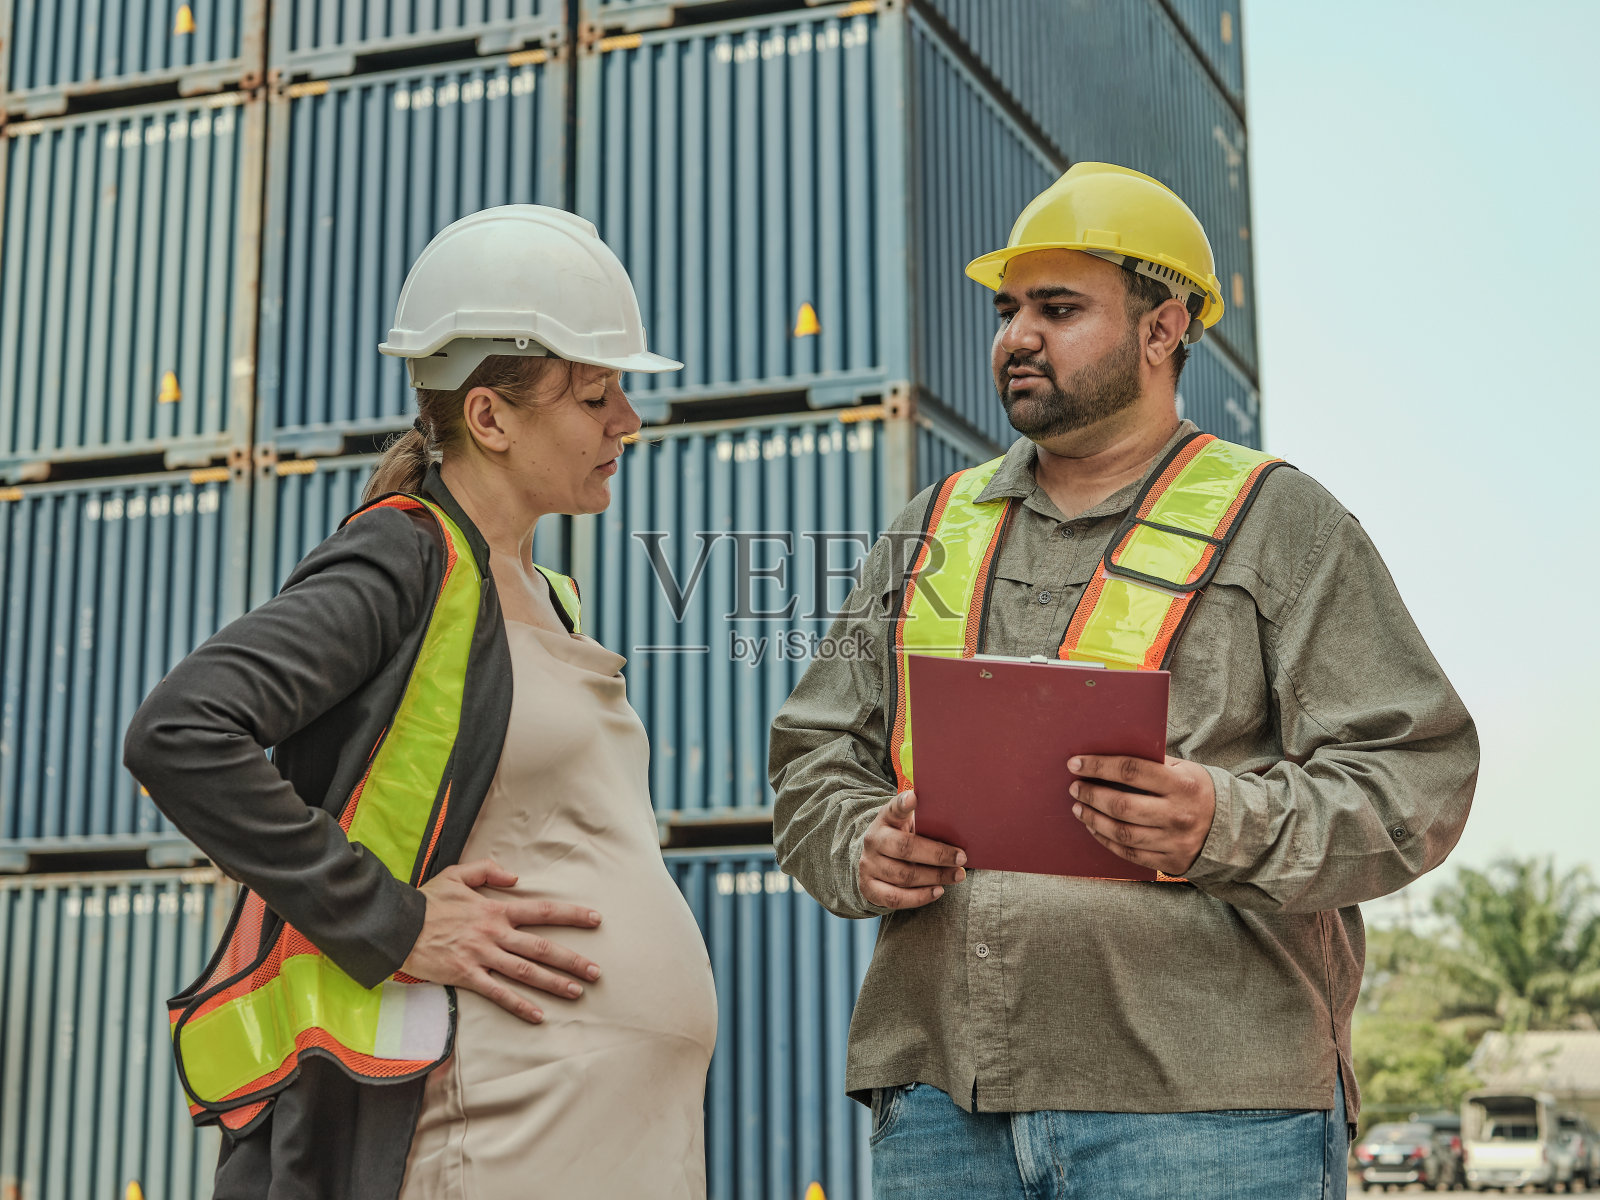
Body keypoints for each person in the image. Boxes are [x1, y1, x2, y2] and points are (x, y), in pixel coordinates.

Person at [768, 163, 1478, 1200]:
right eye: (1009, 309)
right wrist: (859, 845)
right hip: (941, 1108)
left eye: (1058, 309)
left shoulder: (1282, 523)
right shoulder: (926, 527)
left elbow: (1417, 778)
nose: (1016, 336)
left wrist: (1221, 821)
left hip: (1209, 1118)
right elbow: (813, 759)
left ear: (1162, 329)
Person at [126, 205, 718, 1200]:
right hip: (495, 1125)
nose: (628, 421)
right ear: (489, 417)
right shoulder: (404, 555)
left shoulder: (541, 592)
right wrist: (390, 920)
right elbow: (181, 731)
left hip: (607, 1138)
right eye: (594, 396)